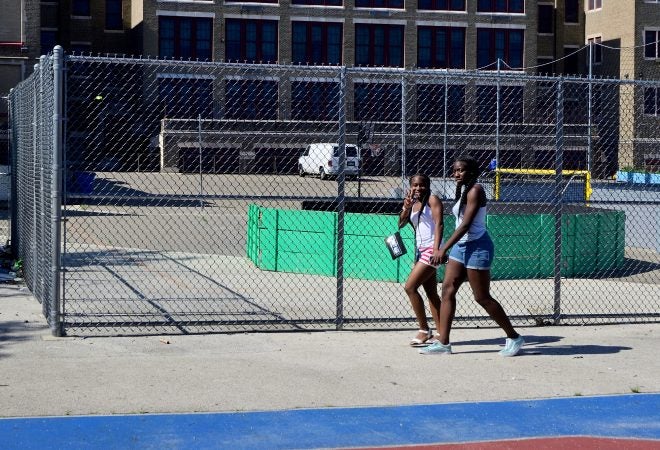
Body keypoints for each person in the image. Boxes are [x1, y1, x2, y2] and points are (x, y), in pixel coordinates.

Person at [420, 157, 524, 357]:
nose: (456, 174)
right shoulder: (463, 191)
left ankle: (514, 337)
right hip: (461, 247)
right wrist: (451, 248)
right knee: (447, 290)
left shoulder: (476, 189)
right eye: (454, 170)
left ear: (471, 172)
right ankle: (444, 343)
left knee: (482, 297)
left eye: (460, 170)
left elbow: (466, 225)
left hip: (478, 247)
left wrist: (443, 249)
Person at [398, 173, 444, 347]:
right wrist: (406, 208)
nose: (418, 188)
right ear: (410, 187)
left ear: (428, 185)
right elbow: (401, 224)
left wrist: (437, 250)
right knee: (431, 293)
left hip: (432, 251)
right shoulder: (413, 204)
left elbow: (439, 224)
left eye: (422, 185)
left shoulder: (433, 200)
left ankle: (424, 330)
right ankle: (441, 333)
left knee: (410, 287)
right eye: (415, 185)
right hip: (420, 251)